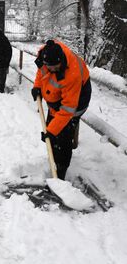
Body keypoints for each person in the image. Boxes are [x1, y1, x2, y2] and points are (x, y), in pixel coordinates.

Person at [31, 40, 91, 180]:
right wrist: (37, 86)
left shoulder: (72, 75)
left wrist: (51, 131)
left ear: (61, 62)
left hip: (77, 99)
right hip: (58, 99)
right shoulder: (45, 54)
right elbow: (42, 73)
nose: (52, 70)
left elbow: (67, 110)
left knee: (63, 134)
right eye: (50, 67)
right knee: (52, 132)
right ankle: (54, 159)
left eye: (56, 68)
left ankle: (61, 171)